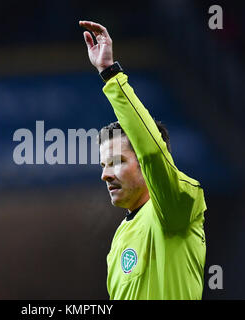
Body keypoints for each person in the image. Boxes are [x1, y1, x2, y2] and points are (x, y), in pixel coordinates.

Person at [79, 20, 207, 300]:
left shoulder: (175, 210)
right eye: (103, 165)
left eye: (116, 162)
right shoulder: (119, 242)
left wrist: (111, 75)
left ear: (146, 165)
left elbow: (151, 150)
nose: (105, 175)